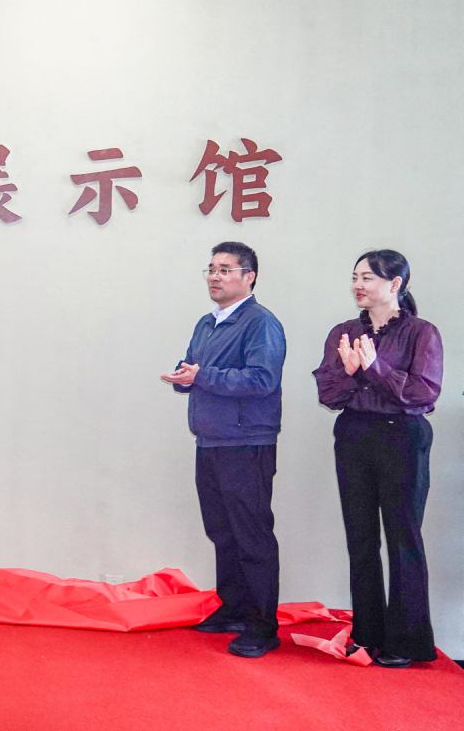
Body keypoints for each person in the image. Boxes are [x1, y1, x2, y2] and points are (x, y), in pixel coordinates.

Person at [312, 250, 441, 668]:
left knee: (404, 539)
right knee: (361, 540)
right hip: (354, 435)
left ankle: (406, 642)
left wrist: (375, 368)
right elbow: (328, 393)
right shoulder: (344, 332)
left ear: (395, 284)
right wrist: (352, 372)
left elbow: (423, 393)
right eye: (355, 277)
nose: (358, 285)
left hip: (402, 437)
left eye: (367, 277)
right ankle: (367, 635)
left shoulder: (421, 332)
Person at [161, 241, 286, 658]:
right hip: (210, 440)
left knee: (252, 536)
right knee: (222, 531)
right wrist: (184, 377)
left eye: (225, 270)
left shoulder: (261, 323)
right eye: (211, 269)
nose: (215, 277)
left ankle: (263, 626)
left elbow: (261, 380)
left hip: (246, 442)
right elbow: (196, 369)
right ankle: (234, 609)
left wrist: (202, 376)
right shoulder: (207, 323)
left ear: (249, 277)